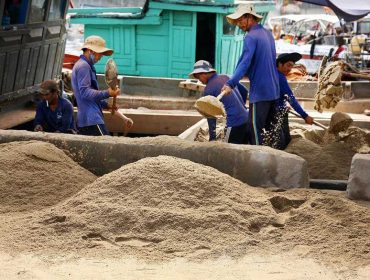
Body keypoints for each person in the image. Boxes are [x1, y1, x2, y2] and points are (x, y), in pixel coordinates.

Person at [221, 4, 280, 146]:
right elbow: (263, 60)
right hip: (274, 90)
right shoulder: (267, 34)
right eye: (237, 22)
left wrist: (230, 83)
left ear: (249, 17)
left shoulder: (250, 37)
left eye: (240, 20)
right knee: (272, 130)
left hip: (260, 91)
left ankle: (258, 163)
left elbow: (244, 63)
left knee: (254, 129)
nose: (239, 24)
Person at [72, 35, 132, 136]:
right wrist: (108, 93)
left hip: (87, 119)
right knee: (108, 148)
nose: (100, 58)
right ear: (91, 51)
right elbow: (85, 93)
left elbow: (89, 96)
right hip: (91, 119)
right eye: (100, 54)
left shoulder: (84, 65)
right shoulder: (83, 66)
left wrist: (105, 105)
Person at [189, 60, 249, 144]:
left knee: (228, 153)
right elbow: (244, 91)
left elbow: (211, 117)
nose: (200, 81)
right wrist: (240, 108)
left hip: (234, 124)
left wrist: (212, 139)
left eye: (199, 78)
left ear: (203, 74)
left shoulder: (208, 89)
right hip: (246, 119)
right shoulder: (226, 77)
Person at [276, 52, 314, 149]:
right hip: (277, 113)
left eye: (291, 67)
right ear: (280, 64)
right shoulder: (280, 77)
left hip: (280, 110)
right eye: (288, 65)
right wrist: (305, 116)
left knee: (285, 139)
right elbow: (290, 98)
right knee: (281, 142)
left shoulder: (277, 74)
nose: (289, 69)